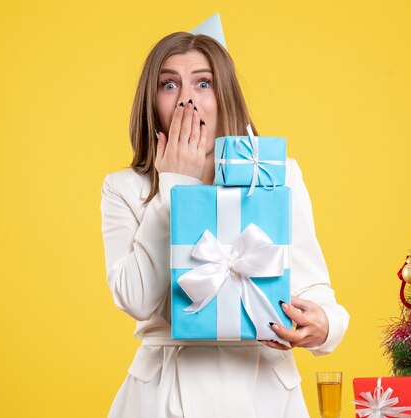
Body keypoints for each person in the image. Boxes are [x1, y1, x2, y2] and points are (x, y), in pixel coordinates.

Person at [100, 30, 350, 418]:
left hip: (263, 391)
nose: (187, 97)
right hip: (163, 393)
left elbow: (313, 285)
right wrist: (173, 186)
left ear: (224, 97)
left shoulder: (275, 175)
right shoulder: (124, 189)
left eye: (203, 82)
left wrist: (325, 324)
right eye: (170, 84)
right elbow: (136, 299)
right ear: (152, 101)